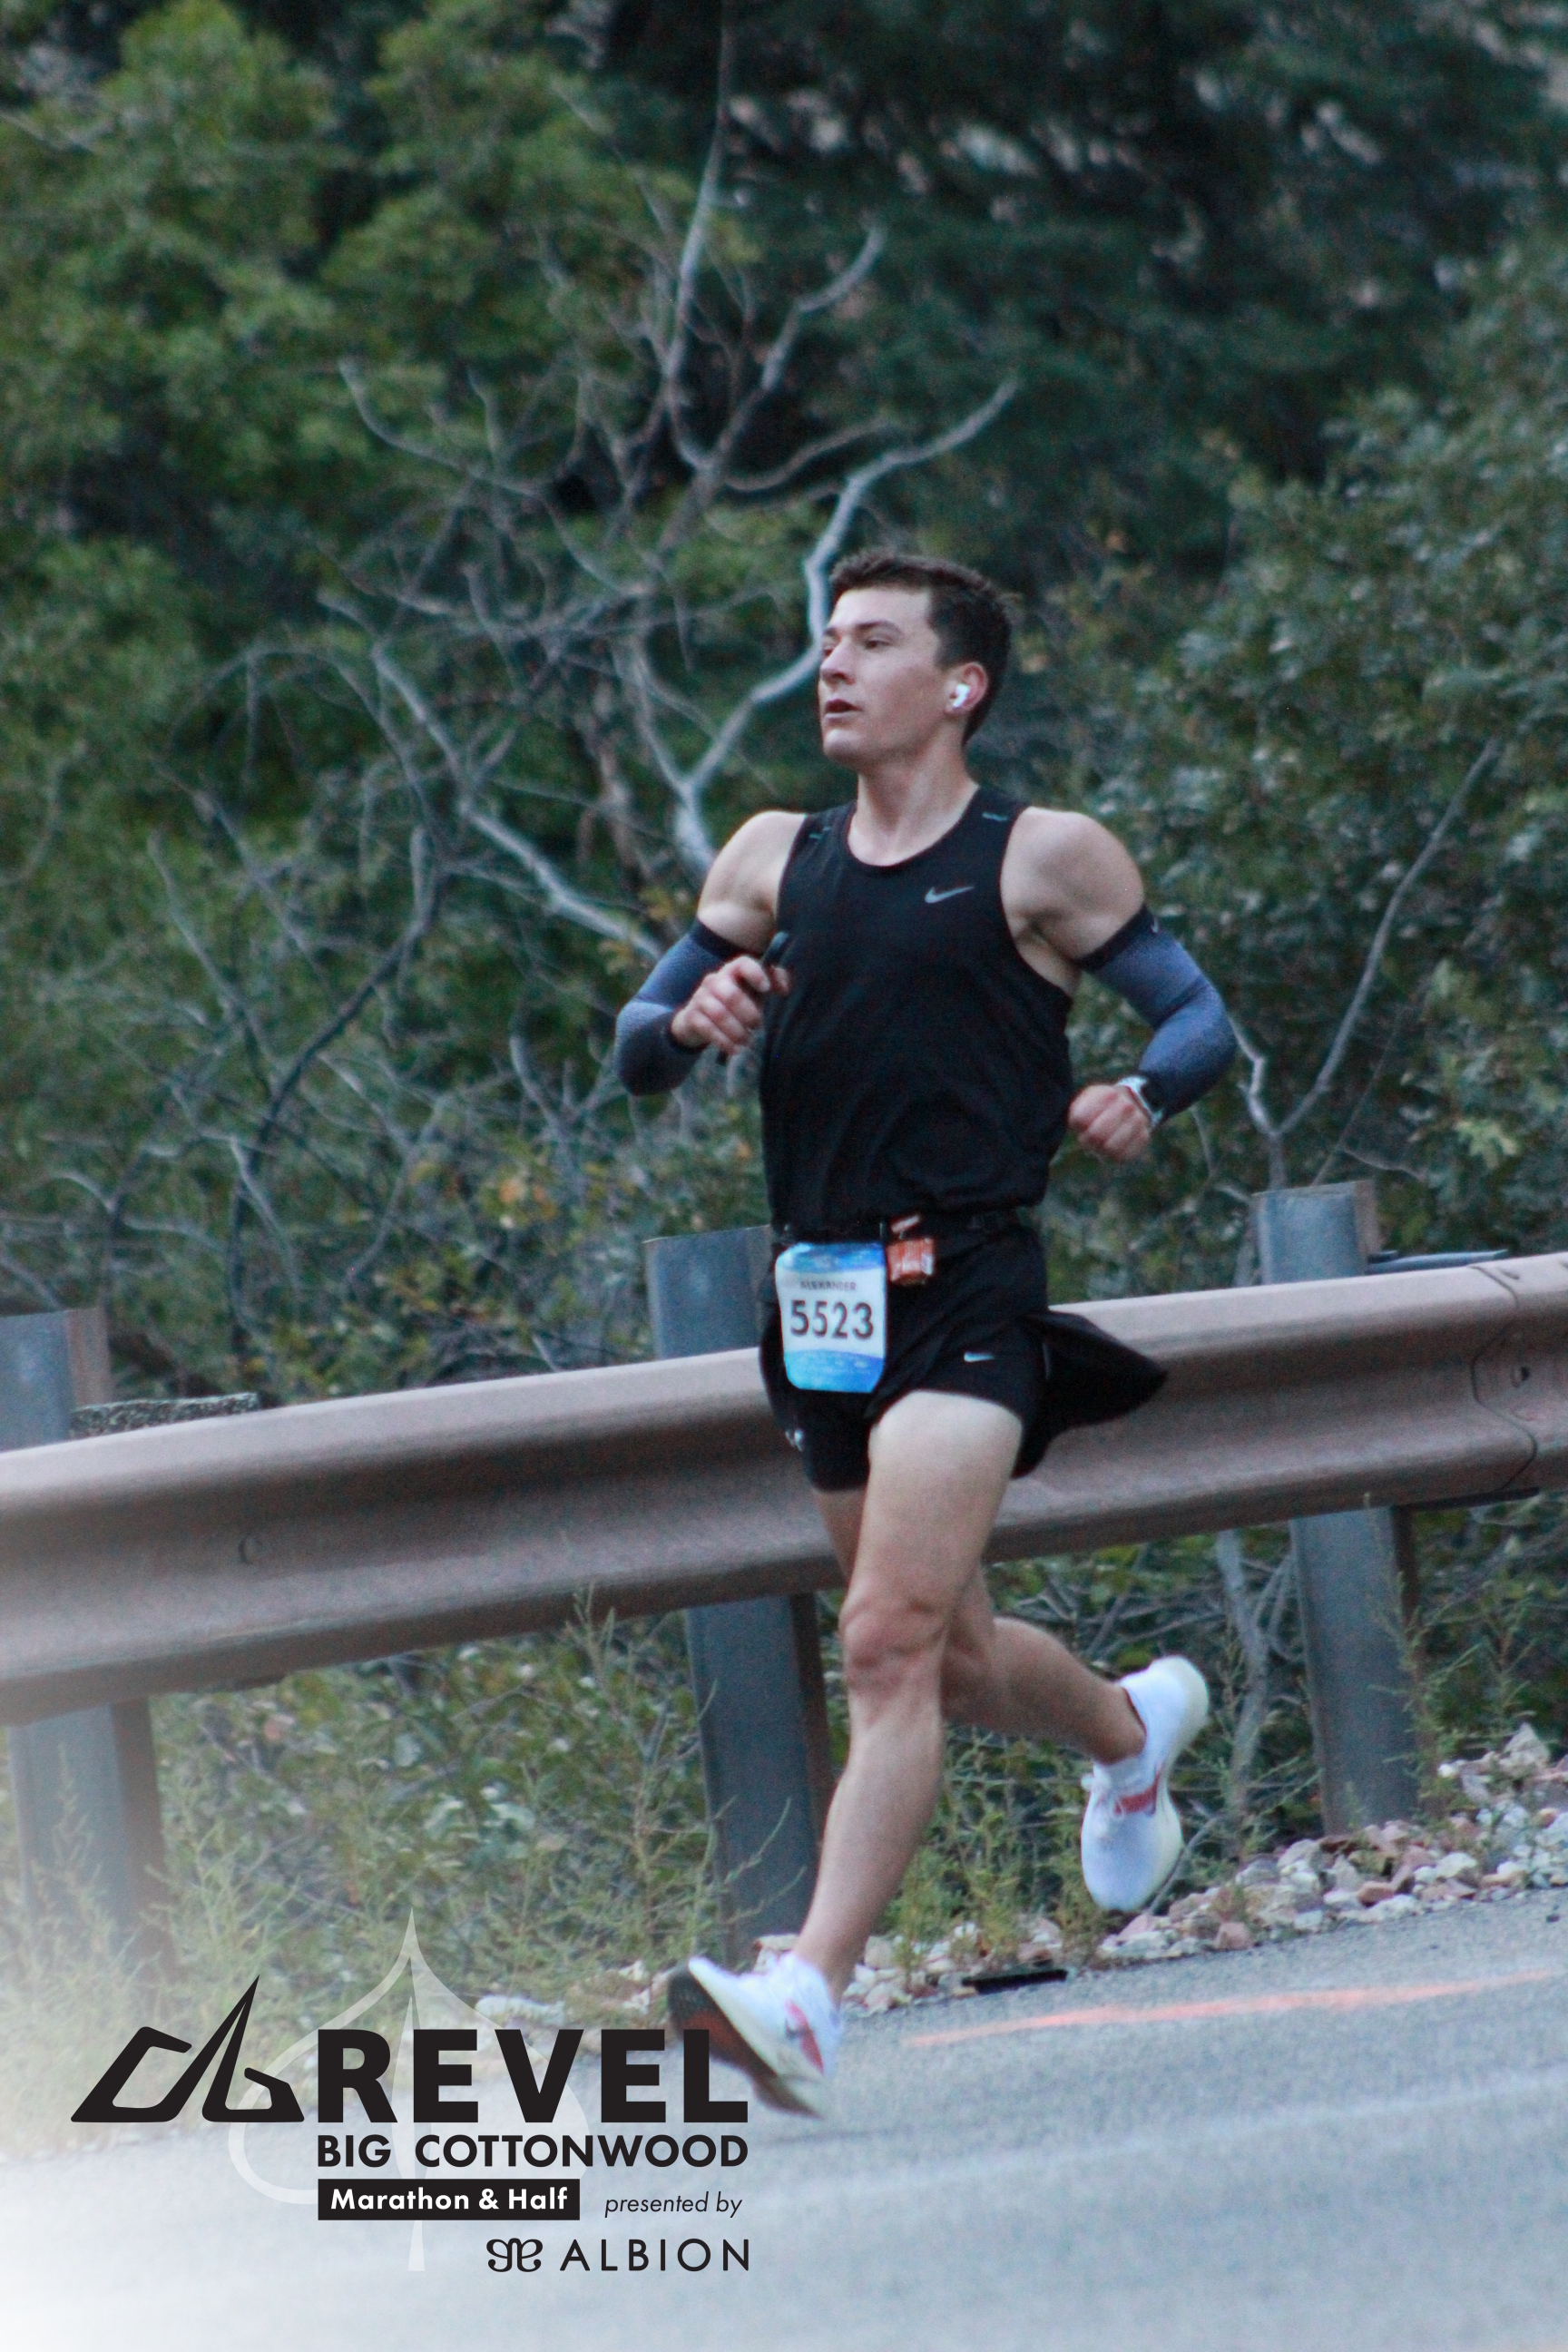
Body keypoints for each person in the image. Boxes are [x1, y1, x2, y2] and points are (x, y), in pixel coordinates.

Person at [613, 551, 1236, 2116]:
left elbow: (1198, 1018)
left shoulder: (1040, 859)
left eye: (873, 642)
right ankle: (1130, 1733)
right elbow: (635, 1046)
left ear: (959, 687)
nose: (834, 666)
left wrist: (1141, 1091)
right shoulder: (774, 857)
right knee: (945, 1657)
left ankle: (807, 1995)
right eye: (829, 641)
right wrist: (685, 1022)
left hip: (967, 1291)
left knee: (882, 1641)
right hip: (820, 1304)